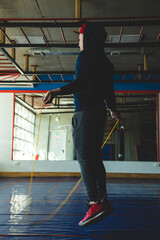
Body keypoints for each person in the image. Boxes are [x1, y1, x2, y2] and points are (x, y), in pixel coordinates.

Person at [43, 22, 120, 227]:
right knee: (94, 156)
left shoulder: (86, 56)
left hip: (85, 112)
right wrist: (113, 109)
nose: (78, 40)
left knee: (85, 156)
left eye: (80, 36)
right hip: (99, 113)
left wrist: (56, 91)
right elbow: (108, 90)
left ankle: (95, 202)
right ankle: (102, 199)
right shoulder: (104, 62)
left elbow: (81, 83)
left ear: (88, 38)